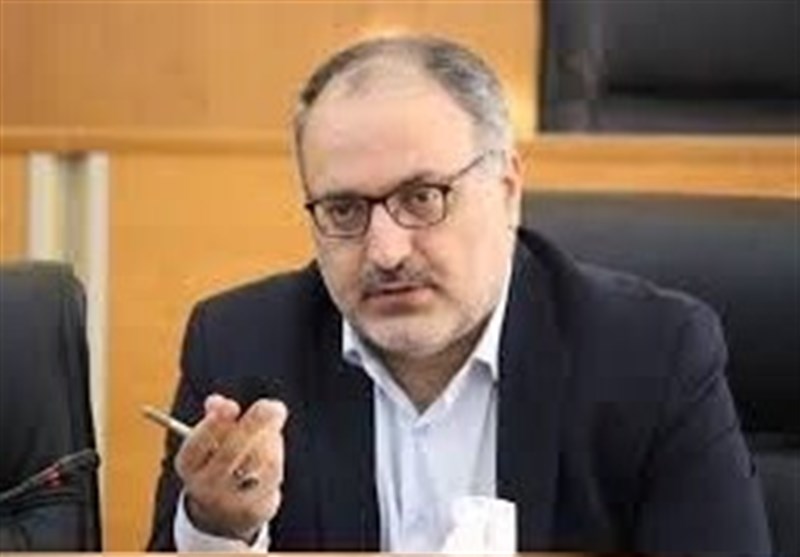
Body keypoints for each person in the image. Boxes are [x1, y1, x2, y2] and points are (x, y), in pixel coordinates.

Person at [147, 35, 771, 553]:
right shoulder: (241, 350)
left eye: (422, 197)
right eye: (343, 209)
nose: (385, 251)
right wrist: (221, 530)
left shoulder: (653, 356)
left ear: (507, 189)